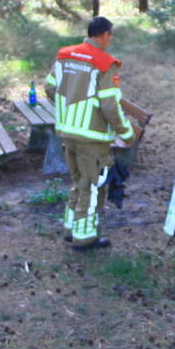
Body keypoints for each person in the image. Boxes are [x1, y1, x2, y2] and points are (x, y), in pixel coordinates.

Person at [43, 16, 136, 251]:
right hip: (93, 138)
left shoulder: (65, 55)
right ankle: (85, 238)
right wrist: (126, 132)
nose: (111, 39)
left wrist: (69, 108)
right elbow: (109, 105)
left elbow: (50, 87)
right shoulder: (106, 63)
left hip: (68, 133)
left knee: (79, 182)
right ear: (104, 34)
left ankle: (70, 228)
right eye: (110, 35)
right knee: (93, 187)